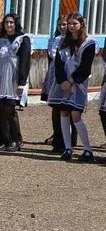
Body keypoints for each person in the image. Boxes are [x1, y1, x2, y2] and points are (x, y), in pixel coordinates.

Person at [48, 12, 97, 162]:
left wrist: (70, 81)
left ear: (81, 24)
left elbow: (85, 67)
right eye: (69, 24)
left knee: (76, 116)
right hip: (63, 83)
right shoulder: (63, 41)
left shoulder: (89, 43)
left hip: (78, 84)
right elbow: (58, 63)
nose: (71, 26)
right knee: (64, 113)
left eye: (74, 24)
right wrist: (62, 81)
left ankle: (87, 149)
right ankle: (67, 148)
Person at [0, 13, 30, 152]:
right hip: (0, 73)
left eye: (11, 22)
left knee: (10, 109)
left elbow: (25, 62)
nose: (8, 25)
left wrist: (22, 82)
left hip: (14, 75)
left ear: (16, 24)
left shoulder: (23, 39)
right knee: (0, 108)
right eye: (6, 22)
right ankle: (4, 139)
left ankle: (16, 140)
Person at [43, 16, 77, 153]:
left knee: (71, 107)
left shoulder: (74, 40)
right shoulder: (55, 39)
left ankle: (71, 140)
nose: (63, 27)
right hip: (55, 74)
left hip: (69, 75)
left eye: (65, 24)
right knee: (56, 108)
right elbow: (52, 57)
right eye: (60, 25)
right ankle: (57, 138)